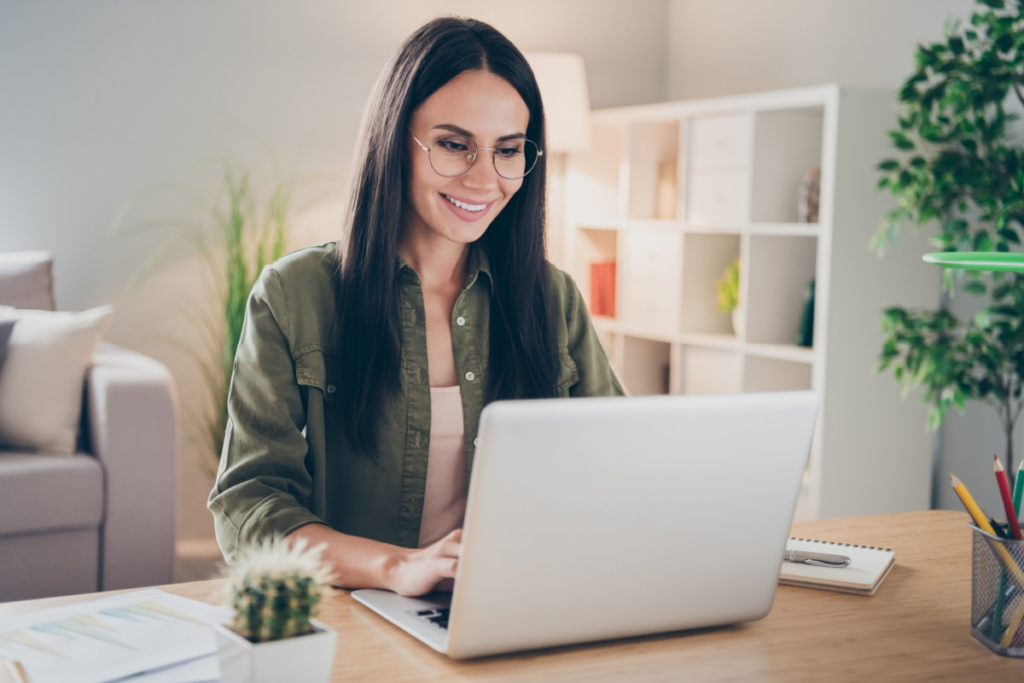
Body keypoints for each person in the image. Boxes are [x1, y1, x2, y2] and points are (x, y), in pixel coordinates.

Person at [208, 16, 623, 598]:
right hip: (355, 617)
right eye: (454, 145)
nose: (485, 179)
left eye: (508, 150)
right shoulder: (293, 296)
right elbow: (249, 509)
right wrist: (399, 567)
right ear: (394, 139)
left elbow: (619, 471)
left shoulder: (552, 300)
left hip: (518, 606)